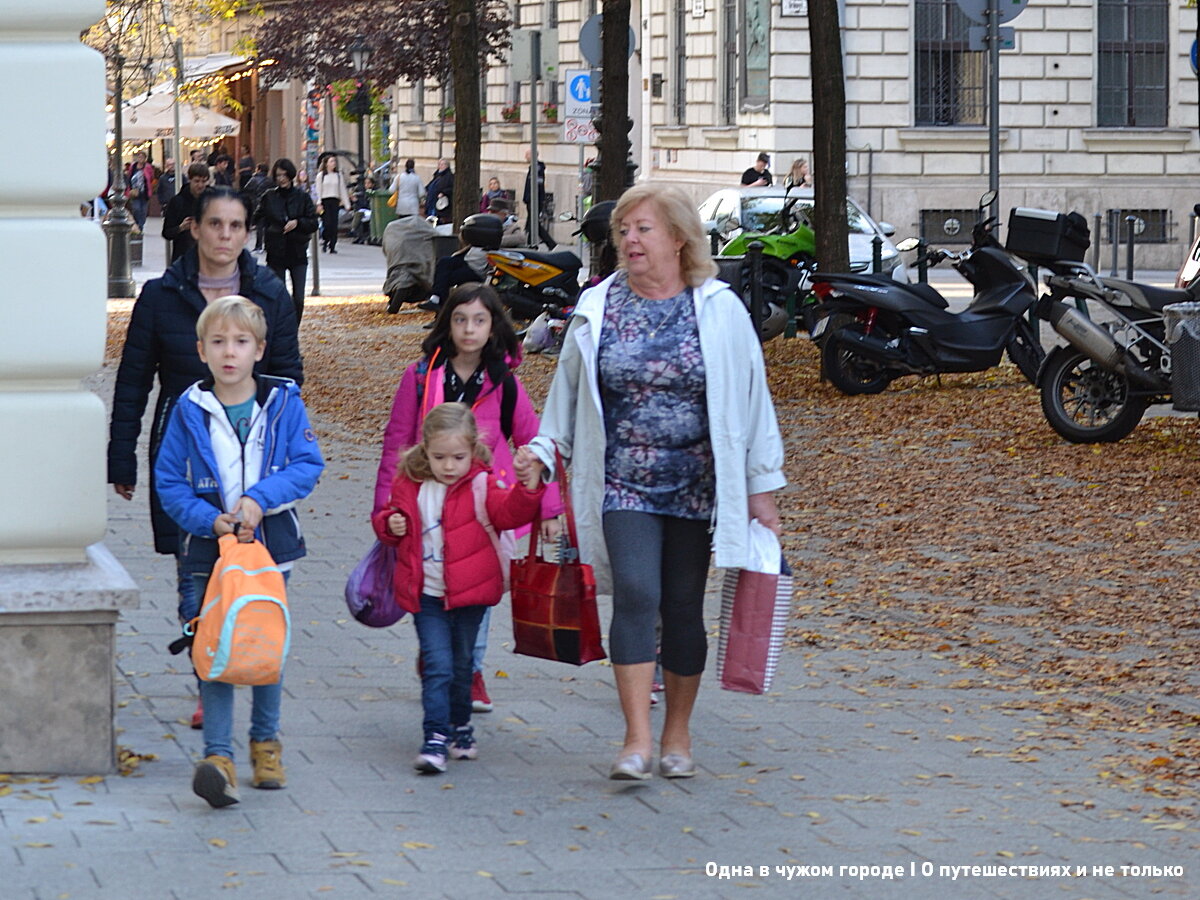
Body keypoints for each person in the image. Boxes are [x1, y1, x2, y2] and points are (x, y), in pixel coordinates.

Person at [520, 183, 786, 781]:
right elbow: (565, 397)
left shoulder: (719, 309)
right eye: (623, 231)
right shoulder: (597, 308)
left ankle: (678, 733)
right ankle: (636, 739)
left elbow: (753, 403)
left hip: (697, 485)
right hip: (621, 483)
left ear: (678, 238)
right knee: (638, 593)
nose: (629, 240)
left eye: (642, 229)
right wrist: (542, 448)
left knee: (683, 607)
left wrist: (763, 489)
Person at [109, 186, 304, 730]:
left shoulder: (268, 292)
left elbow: (289, 376)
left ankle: (254, 668)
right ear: (193, 227)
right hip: (184, 451)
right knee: (194, 573)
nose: (224, 236)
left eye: (235, 226)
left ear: (247, 232)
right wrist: (120, 456)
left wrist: (285, 455)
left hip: (253, 458)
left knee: (252, 574)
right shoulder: (161, 294)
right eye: (214, 224)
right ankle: (208, 676)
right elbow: (132, 380)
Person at [155, 295, 324, 808]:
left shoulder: (283, 401)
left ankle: (266, 743)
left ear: (260, 350)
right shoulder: (190, 408)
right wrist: (209, 518)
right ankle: (218, 756)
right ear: (201, 349)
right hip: (208, 551)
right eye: (219, 342)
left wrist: (257, 501)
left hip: (270, 547)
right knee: (216, 646)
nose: (230, 352)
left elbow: (306, 464)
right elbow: (168, 480)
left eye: (241, 342)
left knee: (264, 645)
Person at [375, 283, 562, 713]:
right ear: (448, 323)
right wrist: (386, 507)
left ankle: (471, 670)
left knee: (479, 588)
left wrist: (548, 507)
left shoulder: (504, 383)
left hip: (487, 508)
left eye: (479, 320)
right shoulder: (421, 377)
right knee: (434, 582)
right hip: (427, 504)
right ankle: (439, 652)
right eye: (460, 319)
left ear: (494, 326)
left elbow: (535, 443)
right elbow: (396, 445)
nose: (469, 329)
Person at [372, 402, 545, 773]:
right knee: (437, 664)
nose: (449, 466)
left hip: (471, 593)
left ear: (472, 451)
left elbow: (509, 513)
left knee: (462, 664)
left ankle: (460, 726)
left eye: (458, 457)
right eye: (439, 457)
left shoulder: (484, 483)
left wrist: (528, 487)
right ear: (425, 451)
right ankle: (435, 735)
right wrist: (391, 525)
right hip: (426, 593)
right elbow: (387, 517)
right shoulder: (410, 483)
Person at [255, 158, 318, 322]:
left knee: (298, 298)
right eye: (278, 175)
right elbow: (256, 217)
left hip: (297, 251)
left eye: (284, 175)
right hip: (276, 251)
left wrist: (298, 222)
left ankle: (293, 327)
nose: (281, 178)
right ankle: (282, 328)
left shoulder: (302, 197)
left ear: (290, 175)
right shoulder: (269, 197)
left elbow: (313, 223)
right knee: (278, 295)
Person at [162, 162, 211, 264]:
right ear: (189, 179)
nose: (200, 185)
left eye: (203, 181)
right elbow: (167, 233)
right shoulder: (177, 202)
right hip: (183, 258)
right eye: (196, 181)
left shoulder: (213, 201)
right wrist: (181, 227)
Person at [316, 154, 352, 254]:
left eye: (334, 161)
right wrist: (319, 203)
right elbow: (318, 190)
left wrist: (347, 204)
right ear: (326, 164)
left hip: (335, 201)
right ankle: (325, 240)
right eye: (331, 161)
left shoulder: (338, 175)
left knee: (334, 224)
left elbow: (342, 189)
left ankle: (332, 245)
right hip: (325, 201)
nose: (333, 163)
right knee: (326, 223)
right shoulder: (321, 176)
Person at [521, 149, 556, 249]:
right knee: (531, 223)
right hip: (532, 200)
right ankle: (531, 244)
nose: (525, 157)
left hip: (534, 200)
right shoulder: (534, 168)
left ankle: (549, 243)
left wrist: (531, 198)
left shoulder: (537, 168)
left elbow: (537, 185)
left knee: (534, 223)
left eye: (527, 154)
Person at [241, 164, 272, 253]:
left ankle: (258, 246)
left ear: (258, 170)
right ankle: (266, 245)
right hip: (268, 204)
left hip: (257, 203)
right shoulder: (269, 180)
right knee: (267, 225)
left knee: (259, 225)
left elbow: (246, 190)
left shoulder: (254, 179)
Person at [425, 158, 454, 223]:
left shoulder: (449, 176)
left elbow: (451, 188)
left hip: (441, 204)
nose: (439, 166)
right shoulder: (437, 175)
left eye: (441, 164)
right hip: (432, 202)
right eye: (439, 164)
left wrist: (443, 193)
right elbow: (430, 185)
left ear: (446, 166)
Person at [128, 159, 150, 231]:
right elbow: (129, 177)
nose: (140, 159)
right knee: (136, 209)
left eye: (142, 157)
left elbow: (151, 177)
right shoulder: (133, 167)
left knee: (143, 211)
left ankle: (141, 226)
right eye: (139, 157)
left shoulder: (147, 167)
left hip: (144, 193)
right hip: (134, 193)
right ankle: (137, 223)